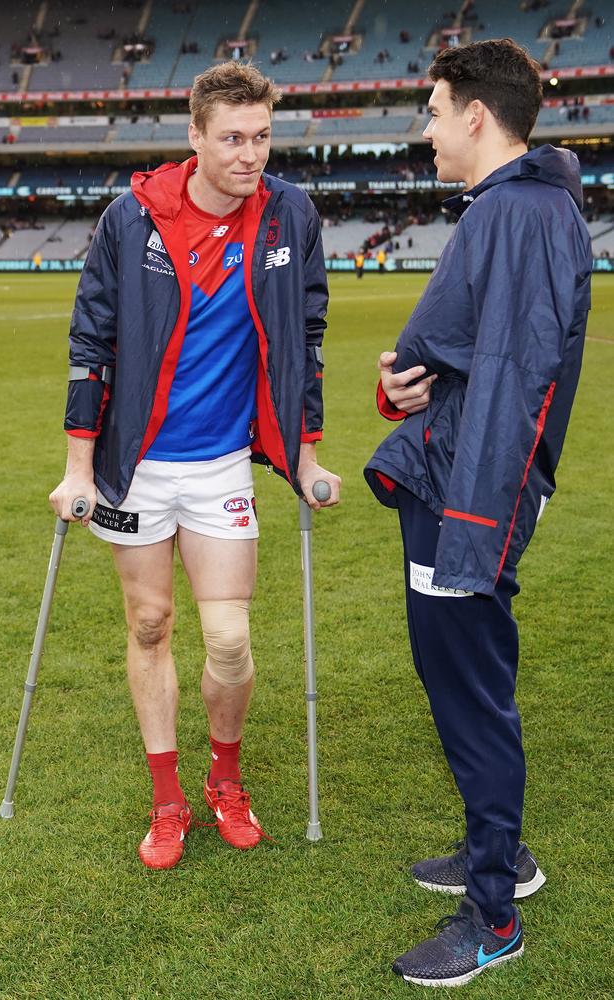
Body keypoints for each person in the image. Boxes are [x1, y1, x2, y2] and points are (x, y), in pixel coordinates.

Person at [50, 60, 340, 871]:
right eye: (234, 139)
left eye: (263, 137)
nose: (250, 156)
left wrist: (307, 455)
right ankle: (167, 798)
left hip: (221, 466)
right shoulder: (130, 218)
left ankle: (226, 779)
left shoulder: (289, 213)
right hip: (133, 465)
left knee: (229, 639)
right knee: (149, 624)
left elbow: (304, 342)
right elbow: (90, 346)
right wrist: (79, 469)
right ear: (195, 137)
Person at [365, 39, 590, 987]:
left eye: (432, 108)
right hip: (454, 478)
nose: (425, 129)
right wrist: (400, 390)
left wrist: (474, 530)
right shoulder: (508, 210)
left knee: (469, 690)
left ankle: (494, 914)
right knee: (457, 677)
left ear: (475, 116)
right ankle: (501, 852)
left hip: (472, 497)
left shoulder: (526, 216)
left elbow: (517, 386)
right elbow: (459, 364)